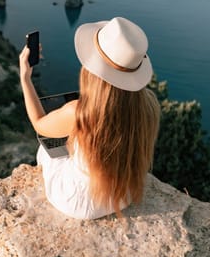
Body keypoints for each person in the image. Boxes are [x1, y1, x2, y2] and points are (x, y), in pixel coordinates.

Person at [19, 16, 161, 219]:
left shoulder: (79, 112)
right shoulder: (149, 105)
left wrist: (25, 78)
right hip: (124, 194)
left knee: (45, 149)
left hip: (82, 203)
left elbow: (39, 124)